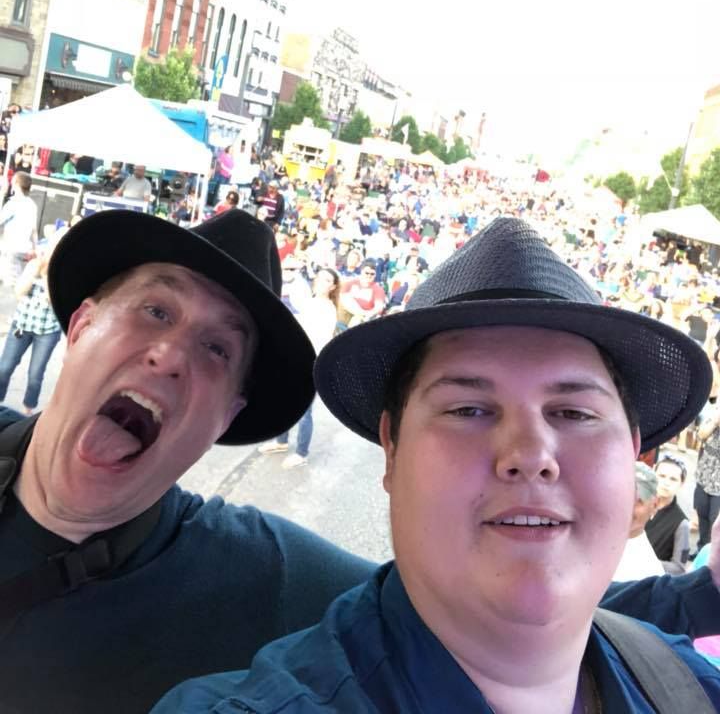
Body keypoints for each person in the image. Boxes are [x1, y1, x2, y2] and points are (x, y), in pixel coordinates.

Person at [155, 217, 720, 714]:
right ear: (391, 448)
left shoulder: (697, 690)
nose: (530, 456)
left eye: (574, 413)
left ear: (632, 451)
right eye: (468, 409)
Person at [0, 209, 374, 714]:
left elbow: (443, 627)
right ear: (81, 327)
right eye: (156, 311)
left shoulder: (263, 580)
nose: (171, 356)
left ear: (226, 418)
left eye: (217, 348)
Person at [259, 267, 341, 468]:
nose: (320, 282)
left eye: (326, 280)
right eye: (319, 278)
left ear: (333, 287)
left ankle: (301, 453)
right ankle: (281, 441)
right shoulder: (312, 302)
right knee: (284, 403)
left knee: (304, 411)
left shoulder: (327, 308)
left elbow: (318, 338)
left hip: (310, 362)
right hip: (296, 357)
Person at [0, 230, 64, 415]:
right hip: (22, 325)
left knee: (35, 374)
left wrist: (48, 278)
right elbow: (19, 292)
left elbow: (56, 302)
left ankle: (27, 411)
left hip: (47, 331)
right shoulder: (34, 264)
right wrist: (35, 271)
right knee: (4, 367)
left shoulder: (63, 273)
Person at [614, 462, 664, 581]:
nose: (627, 507)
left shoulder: (649, 574)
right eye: (621, 496)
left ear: (655, 505)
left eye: (638, 501)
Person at [647, 455, 691, 574]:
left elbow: (679, 568)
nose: (666, 483)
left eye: (673, 479)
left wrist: (647, 562)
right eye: (662, 476)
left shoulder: (681, 523)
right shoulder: (637, 504)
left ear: (681, 483)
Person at [0, 171, 38, 287]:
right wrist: (35, 248)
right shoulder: (32, 204)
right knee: (16, 282)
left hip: (11, 249)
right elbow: (34, 230)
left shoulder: (13, 204)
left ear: (16, 184)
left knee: (10, 286)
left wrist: (1, 195)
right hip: (24, 249)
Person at [695, 400, 720, 549]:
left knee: (715, 521)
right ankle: (701, 549)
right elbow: (700, 435)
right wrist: (715, 421)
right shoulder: (715, 414)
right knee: (702, 514)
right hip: (704, 476)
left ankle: (713, 554)